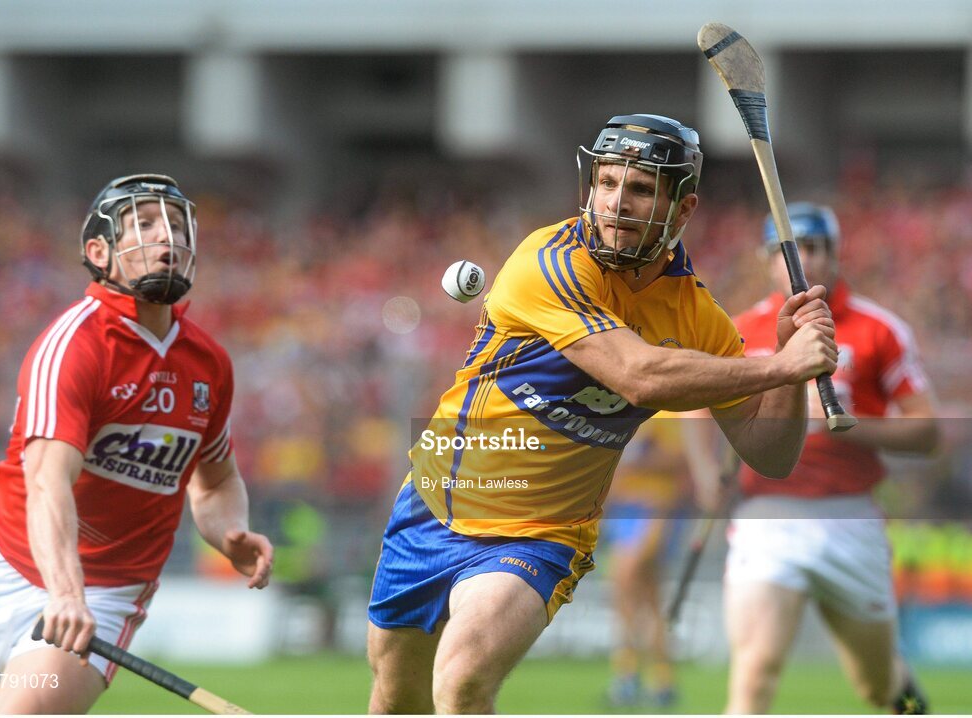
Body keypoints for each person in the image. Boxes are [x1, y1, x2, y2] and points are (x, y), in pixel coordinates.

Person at [365, 114, 840, 714]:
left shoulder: (698, 318)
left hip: (542, 536)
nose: (616, 202)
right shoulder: (548, 261)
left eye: (640, 189)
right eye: (607, 182)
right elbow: (637, 376)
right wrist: (778, 366)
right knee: (395, 701)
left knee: (461, 681)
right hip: (432, 506)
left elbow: (770, 454)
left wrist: (791, 372)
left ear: (683, 208)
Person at [0, 174, 273, 715]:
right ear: (99, 253)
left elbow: (215, 479)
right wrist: (63, 590)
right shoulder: (75, 344)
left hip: (102, 592)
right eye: (144, 224)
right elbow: (47, 481)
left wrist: (228, 532)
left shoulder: (209, 362)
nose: (167, 237)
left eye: (176, 226)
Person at [722, 202, 938, 714]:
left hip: (849, 518)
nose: (805, 261)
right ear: (767, 260)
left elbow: (928, 432)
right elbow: (701, 406)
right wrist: (711, 470)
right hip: (767, 518)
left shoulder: (879, 329)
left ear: (836, 254)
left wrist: (848, 425)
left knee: (878, 686)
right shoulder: (738, 330)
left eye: (817, 247)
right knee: (755, 669)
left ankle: (902, 690)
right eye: (790, 251)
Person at [603, 412, 715, 709]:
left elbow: (679, 457)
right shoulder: (624, 407)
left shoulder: (669, 412)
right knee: (644, 597)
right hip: (624, 508)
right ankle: (657, 680)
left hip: (656, 508)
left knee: (625, 578)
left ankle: (630, 676)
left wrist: (632, 460)